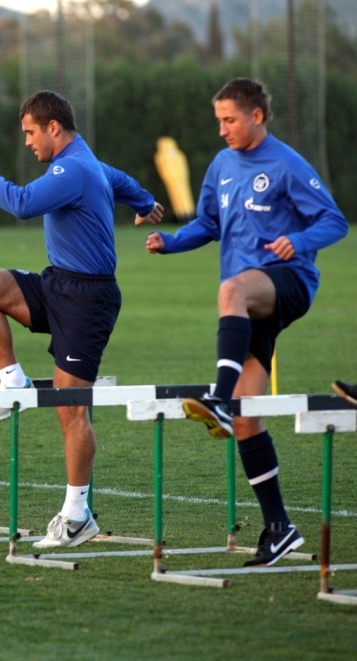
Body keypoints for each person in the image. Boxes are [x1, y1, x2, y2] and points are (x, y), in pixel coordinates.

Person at [147, 78, 348, 567]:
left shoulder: (287, 164)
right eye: (218, 120)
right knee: (247, 419)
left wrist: (298, 243)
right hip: (251, 300)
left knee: (230, 290)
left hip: (289, 282)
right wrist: (170, 242)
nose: (222, 130)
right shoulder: (222, 164)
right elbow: (209, 225)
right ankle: (279, 527)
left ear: (257, 115)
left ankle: (217, 397)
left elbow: (334, 220)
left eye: (230, 119)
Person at [0, 90, 162, 549]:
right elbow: (119, 179)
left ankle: (77, 514)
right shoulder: (87, 164)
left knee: (70, 406)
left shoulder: (72, 168)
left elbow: (22, 203)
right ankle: (14, 382)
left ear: (53, 128)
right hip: (58, 284)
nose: (27, 142)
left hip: (89, 299)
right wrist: (144, 202)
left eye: (29, 132)